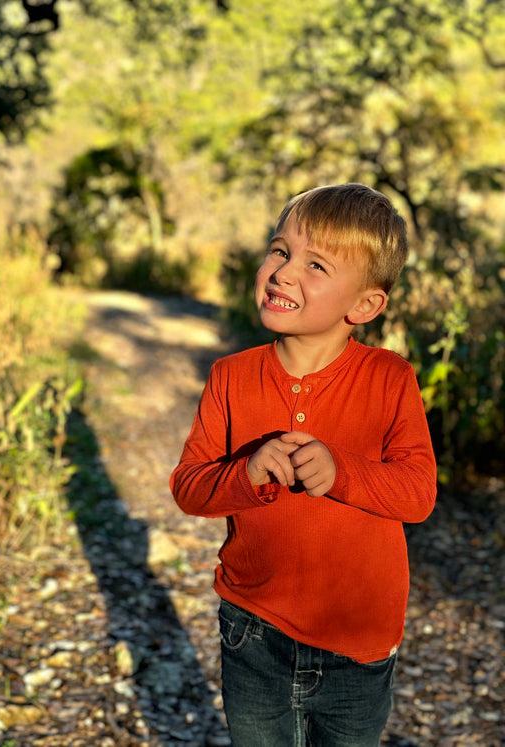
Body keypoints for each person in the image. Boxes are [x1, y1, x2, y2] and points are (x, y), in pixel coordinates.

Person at [170, 183, 437, 747]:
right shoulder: (230, 377)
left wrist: (343, 472)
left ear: (363, 305)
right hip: (254, 632)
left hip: (359, 646)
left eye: (316, 264)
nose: (284, 272)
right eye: (279, 250)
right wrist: (245, 474)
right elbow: (190, 488)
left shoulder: (391, 381)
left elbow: (418, 494)